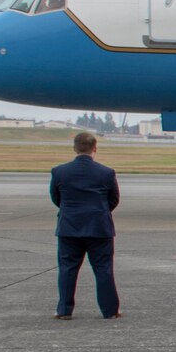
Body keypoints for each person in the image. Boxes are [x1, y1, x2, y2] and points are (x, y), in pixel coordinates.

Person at [49, 130, 122, 320]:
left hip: (69, 227)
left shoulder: (59, 172)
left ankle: (64, 310)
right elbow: (113, 199)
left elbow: (56, 198)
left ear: (74, 148)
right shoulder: (106, 173)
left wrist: (71, 211)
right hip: (99, 227)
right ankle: (110, 310)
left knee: (67, 268)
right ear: (95, 148)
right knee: (103, 269)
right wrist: (99, 212)